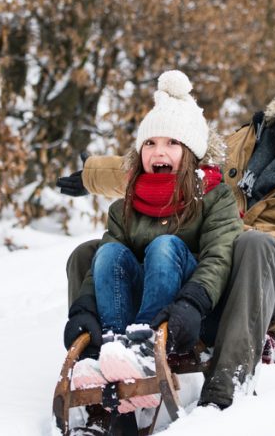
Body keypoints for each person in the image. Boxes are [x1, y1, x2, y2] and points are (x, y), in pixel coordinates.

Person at [58, 39, 275, 411]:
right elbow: (177, 168)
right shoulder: (249, 139)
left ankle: (224, 397)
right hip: (218, 264)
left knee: (254, 246)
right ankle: (102, 386)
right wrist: (91, 175)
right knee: (94, 255)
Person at [61, 70, 242, 430]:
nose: (159, 151)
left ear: (190, 154)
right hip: (131, 304)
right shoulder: (123, 207)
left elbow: (221, 255)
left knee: (164, 245)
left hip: (188, 311)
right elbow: (108, 261)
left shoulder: (215, 197)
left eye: (172, 144)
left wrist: (193, 301)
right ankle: (113, 350)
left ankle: (142, 348)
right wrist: (83, 310)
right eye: (150, 143)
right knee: (107, 253)